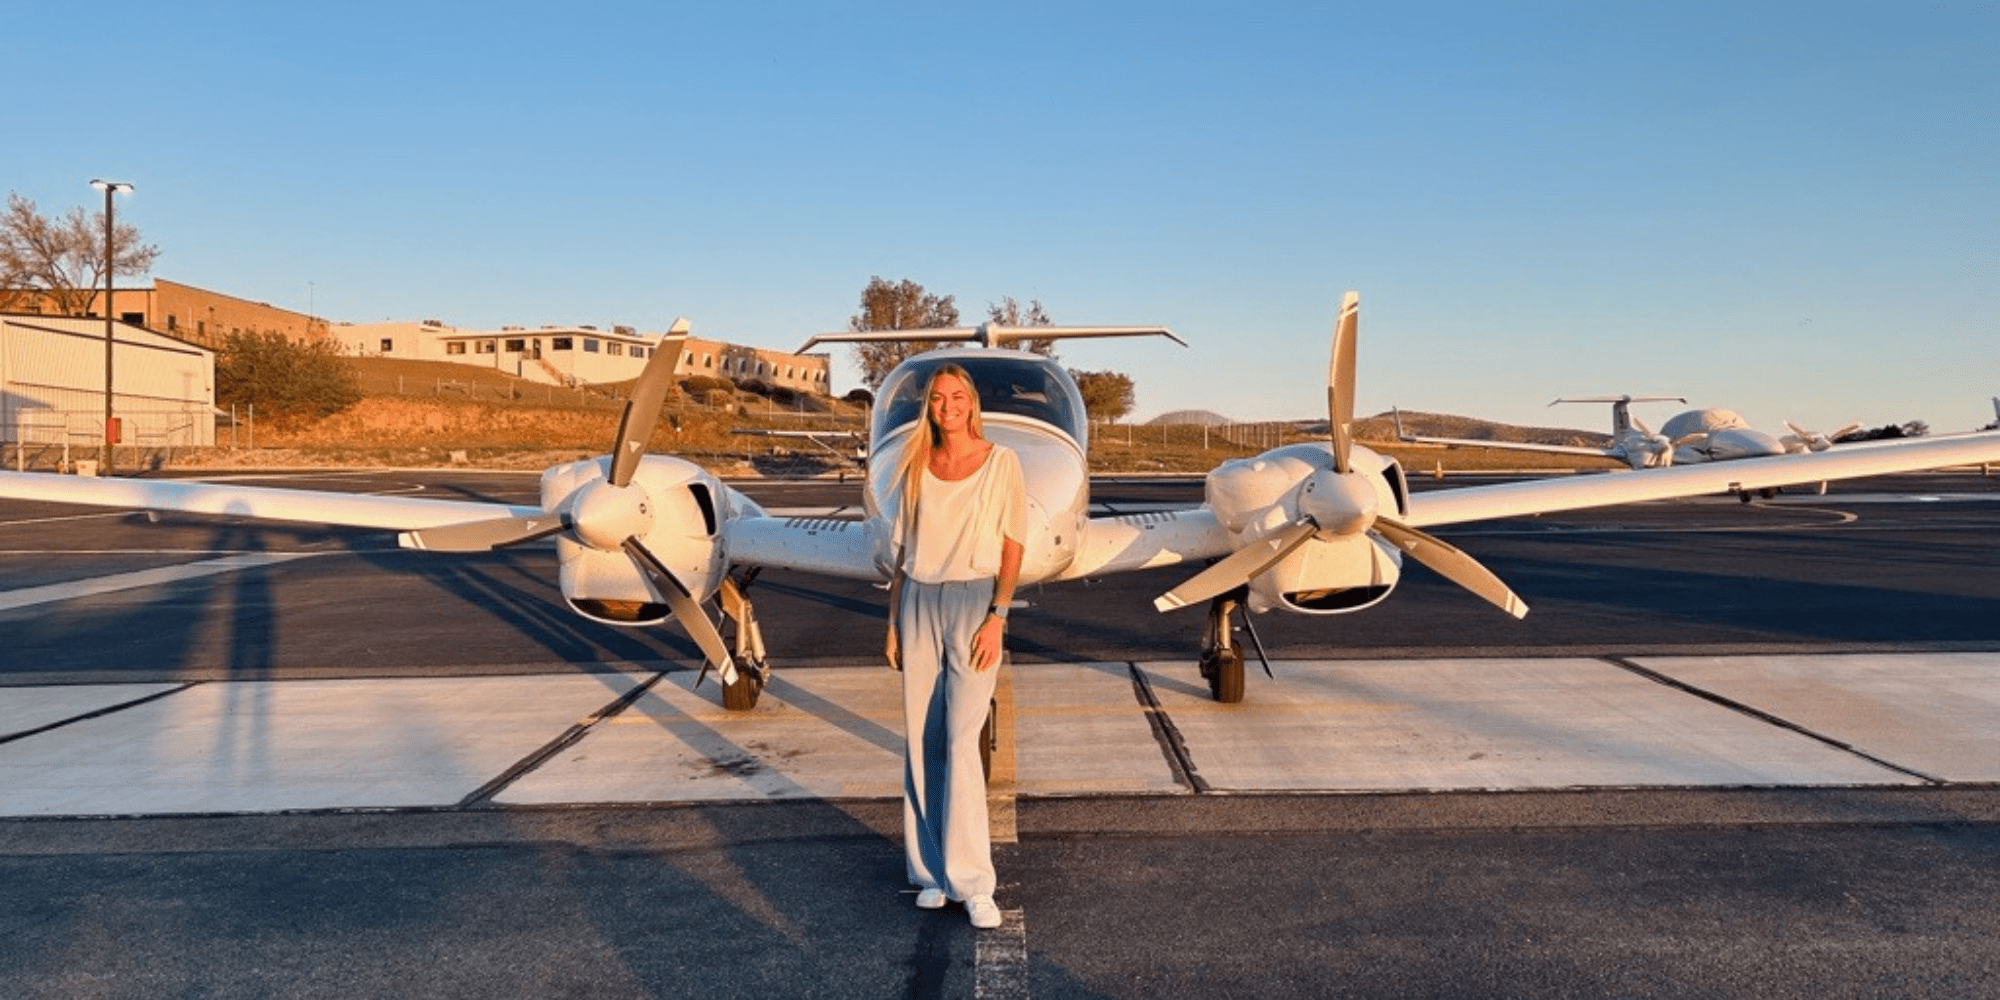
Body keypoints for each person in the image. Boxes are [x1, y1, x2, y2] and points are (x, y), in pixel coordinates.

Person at [884, 363, 1027, 931]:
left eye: (958, 396)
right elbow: (901, 554)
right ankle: (929, 874)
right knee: (922, 739)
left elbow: (1014, 543)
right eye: (939, 398)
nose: (948, 406)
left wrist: (998, 616)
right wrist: (892, 622)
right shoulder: (917, 465)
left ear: (972, 404)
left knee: (963, 738)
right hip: (918, 600)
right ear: (931, 408)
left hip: (974, 603)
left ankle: (972, 882)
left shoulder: (1001, 463)